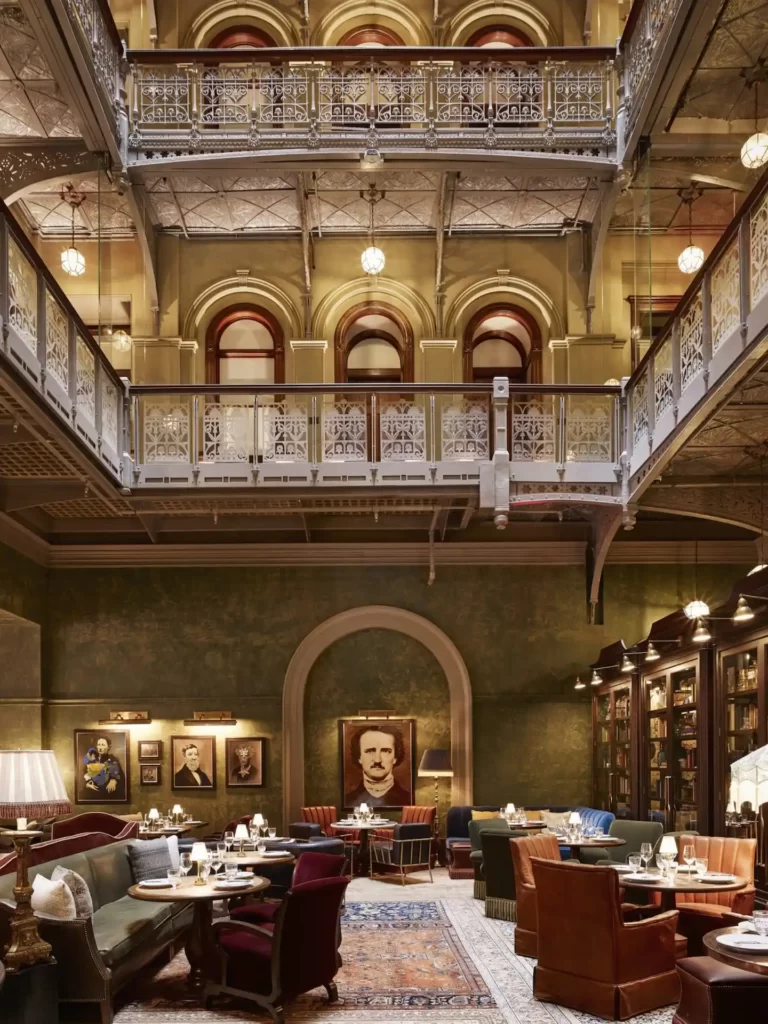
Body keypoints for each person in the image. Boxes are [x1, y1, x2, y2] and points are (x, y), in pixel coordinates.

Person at [345, 725, 411, 808]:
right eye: (370, 751)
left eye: (386, 751)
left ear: (395, 757)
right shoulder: (349, 800)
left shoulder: (408, 800)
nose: (377, 760)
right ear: (359, 757)